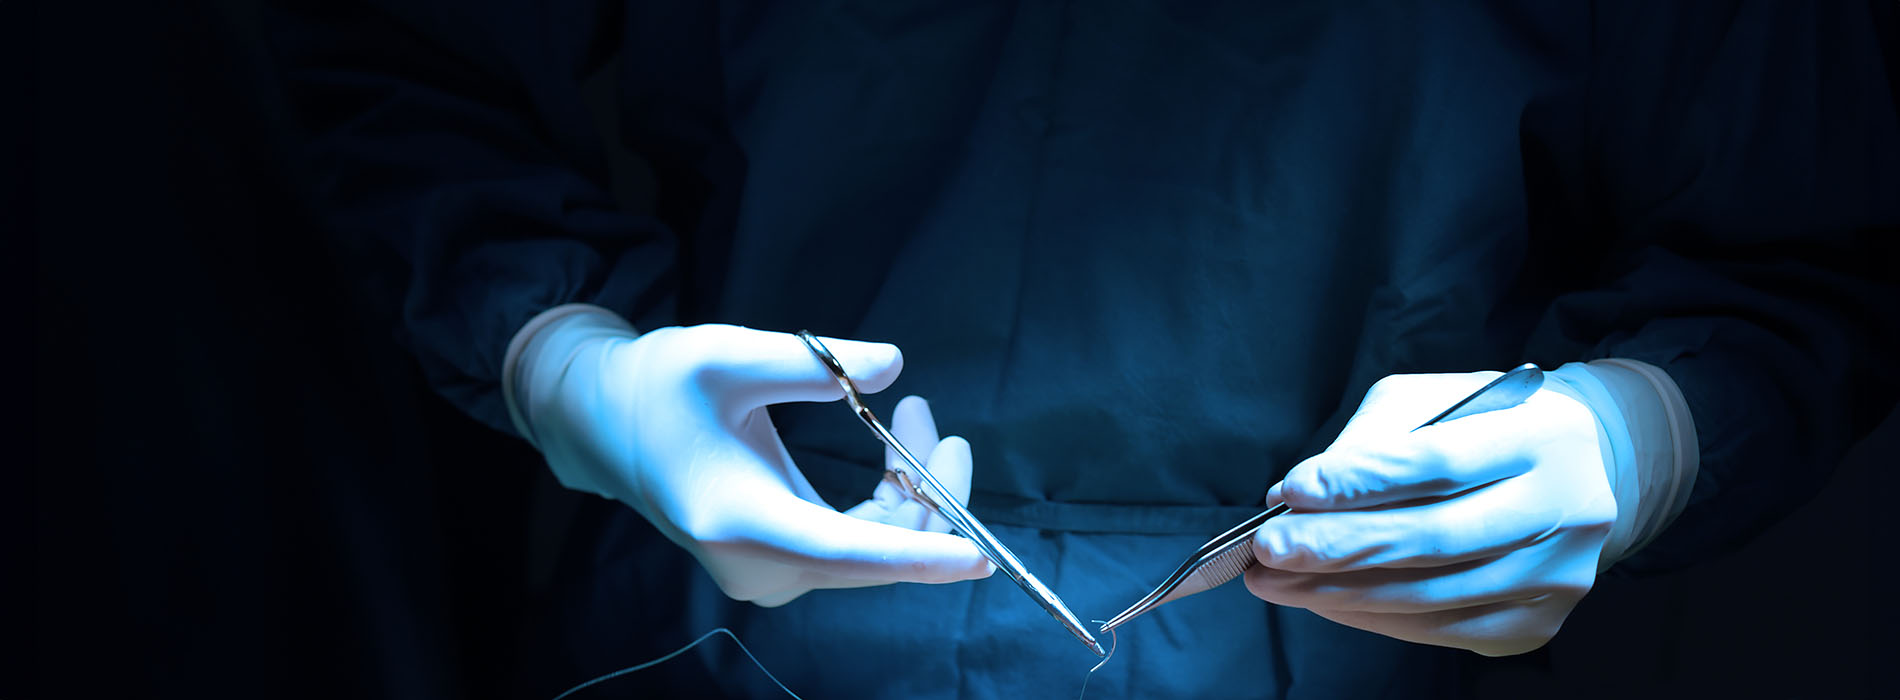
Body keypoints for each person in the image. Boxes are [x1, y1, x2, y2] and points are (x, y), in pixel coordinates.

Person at [274, 2, 1899, 697]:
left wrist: (1636, 436)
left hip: (1366, 650)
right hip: (758, 632)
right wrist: (570, 365)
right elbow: (412, 73)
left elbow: (1805, 244)